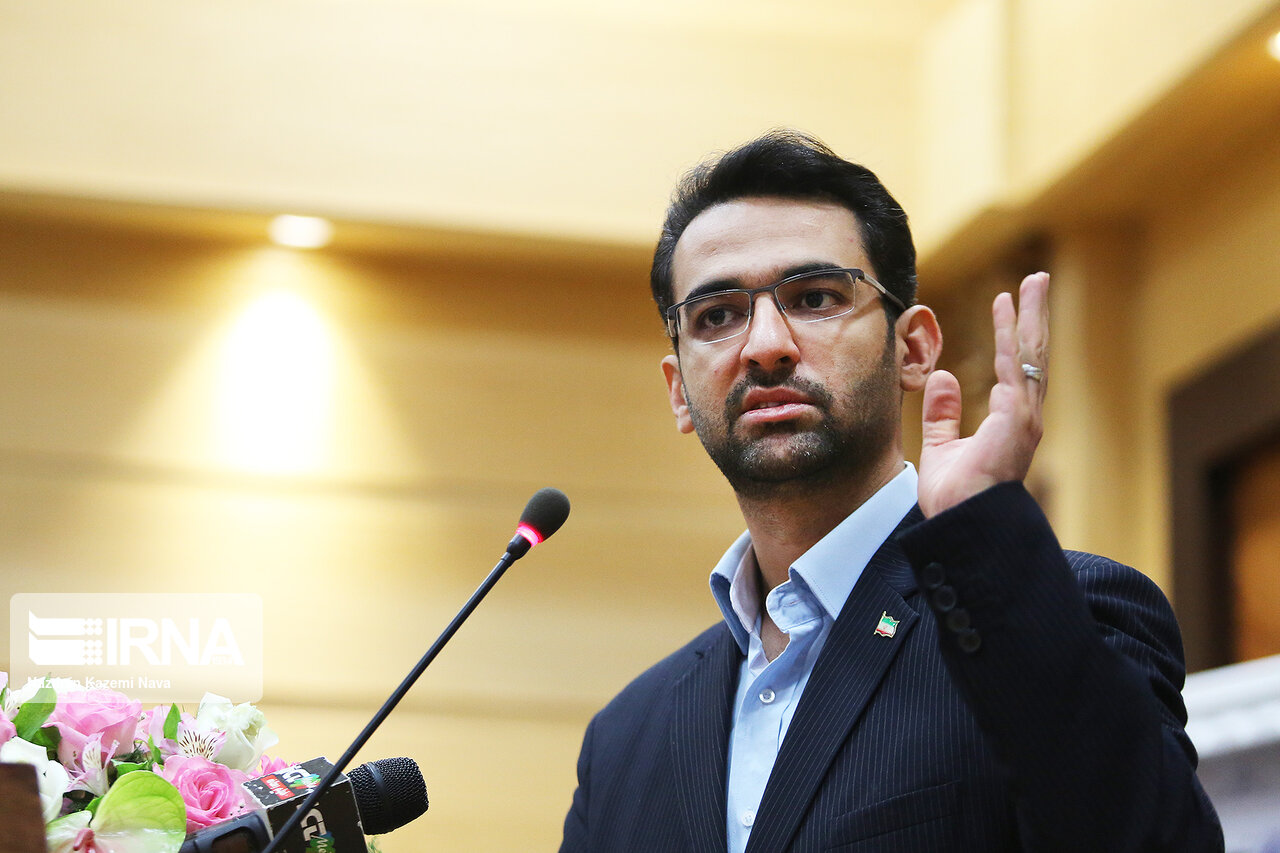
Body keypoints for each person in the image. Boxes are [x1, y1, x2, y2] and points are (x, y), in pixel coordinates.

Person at [558, 131, 1223, 852]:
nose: (765, 344)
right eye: (717, 315)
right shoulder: (624, 740)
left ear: (913, 349)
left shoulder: (1062, 608)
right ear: (679, 391)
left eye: (814, 297)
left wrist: (983, 535)